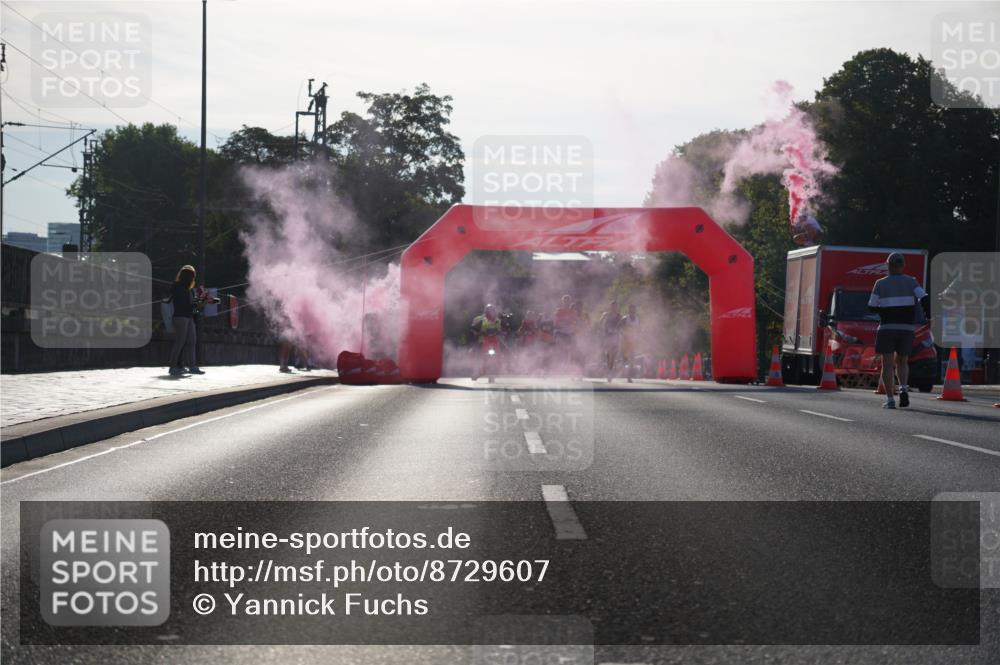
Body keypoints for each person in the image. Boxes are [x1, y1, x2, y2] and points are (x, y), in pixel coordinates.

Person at [867, 252, 929, 409]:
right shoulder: (912, 281)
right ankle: (903, 389)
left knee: (887, 364)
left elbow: (872, 307)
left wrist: (884, 308)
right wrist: (928, 316)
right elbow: (924, 298)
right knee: (903, 361)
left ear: (888, 266)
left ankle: (890, 400)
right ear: (903, 265)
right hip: (907, 329)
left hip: (887, 328)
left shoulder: (880, 283)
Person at [168, 265, 199, 376]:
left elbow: (192, 305)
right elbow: (183, 305)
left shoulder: (188, 289)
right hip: (180, 317)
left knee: (192, 341)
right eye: (192, 277)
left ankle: (192, 366)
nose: (193, 279)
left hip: (188, 317)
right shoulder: (178, 287)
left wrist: (199, 303)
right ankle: (173, 367)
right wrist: (197, 304)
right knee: (180, 342)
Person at [470, 304, 503, 381]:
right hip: (483, 340)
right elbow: (473, 327)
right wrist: (476, 332)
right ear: (486, 311)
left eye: (492, 310)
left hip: (494, 341)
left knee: (498, 355)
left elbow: (500, 329)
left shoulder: (497, 320)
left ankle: (496, 370)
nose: (491, 312)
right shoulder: (480, 319)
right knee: (479, 356)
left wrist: (502, 332)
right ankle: (477, 372)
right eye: (489, 310)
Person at [598, 299, 622, 382]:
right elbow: (600, 322)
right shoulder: (606, 314)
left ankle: (610, 372)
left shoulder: (619, 316)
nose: (614, 307)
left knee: (613, 356)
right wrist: (603, 318)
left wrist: (618, 331)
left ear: (617, 307)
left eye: (615, 306)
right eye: (612, 306)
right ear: (610, 307)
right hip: (608, 337)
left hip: (616, 337)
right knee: (608, 355)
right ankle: (609, 371)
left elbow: (621, 326)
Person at [620, 303, 640, 382]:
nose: (632, 311)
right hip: (626, 341)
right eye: (631, 309)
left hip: (633, 342)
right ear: (629, 310)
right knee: (626, 360)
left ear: (635, 310)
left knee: (632, 359)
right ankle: (623, 371)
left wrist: (638, 337)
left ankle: (629, 376)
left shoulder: (637, 319)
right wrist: (624, 335)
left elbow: (639, 329)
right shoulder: (625, 318)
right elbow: (620, 328)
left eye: (634, 309)